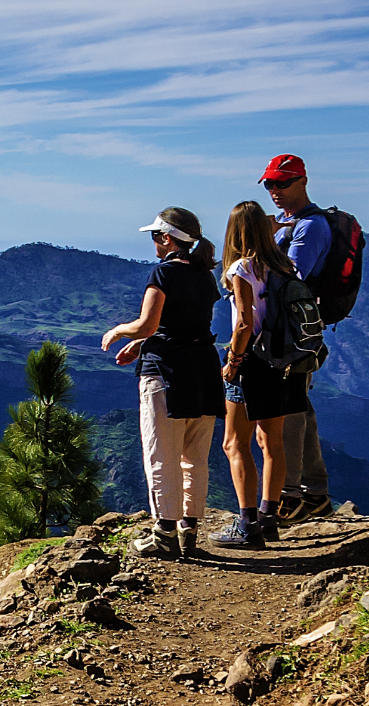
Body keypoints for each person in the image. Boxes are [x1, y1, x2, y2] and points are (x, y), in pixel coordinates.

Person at [102, 209, 222, 558]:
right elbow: (186, 325)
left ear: (167, 239)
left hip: (167, 372)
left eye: (156, 235)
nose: (153, 241)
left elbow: (148, 324)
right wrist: (141, 344)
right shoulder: (204, 275)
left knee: (161, 453)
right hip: (203, 368)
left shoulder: (164, 272)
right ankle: (189, 530)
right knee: (195, 455)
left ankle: (163, 534)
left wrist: (120, 331)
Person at [211, 201, 306, 550]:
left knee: (234, 442)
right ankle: (269, 518)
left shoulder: (242, 268)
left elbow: (244, 323)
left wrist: (233, 362)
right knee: (272, 442)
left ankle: (247, 523)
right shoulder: (286, 265)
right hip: (285, 361)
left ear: (235, 232)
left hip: (253, 362)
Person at [261, 155, 333, 520]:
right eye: (269, 184)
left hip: (291, 336)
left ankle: (290, 496)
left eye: (282, 183)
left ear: (302, 181)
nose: (274, 190)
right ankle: (315, 493)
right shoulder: (288, 225)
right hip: (289, 333)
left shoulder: (309, 228)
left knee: (287, 410)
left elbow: (290, 278)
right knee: (298, 406)